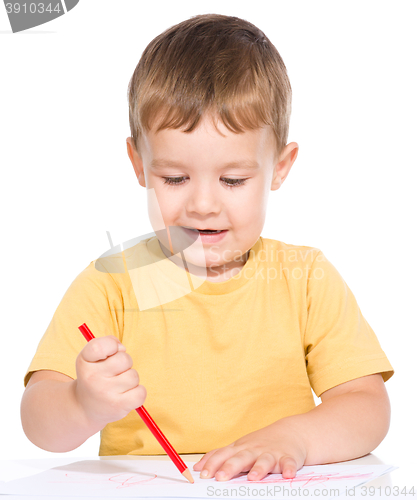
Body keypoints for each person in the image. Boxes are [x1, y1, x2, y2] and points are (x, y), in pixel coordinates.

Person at [20, 13, 394, 482]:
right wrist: (81, 404)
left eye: (232, 180)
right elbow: (38, 421)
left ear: (280, 167)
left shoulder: (306, 278)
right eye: (174, 178)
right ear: (138, 163)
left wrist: (294, 439)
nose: (201, 204)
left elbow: (367, 406)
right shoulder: (110, 283)